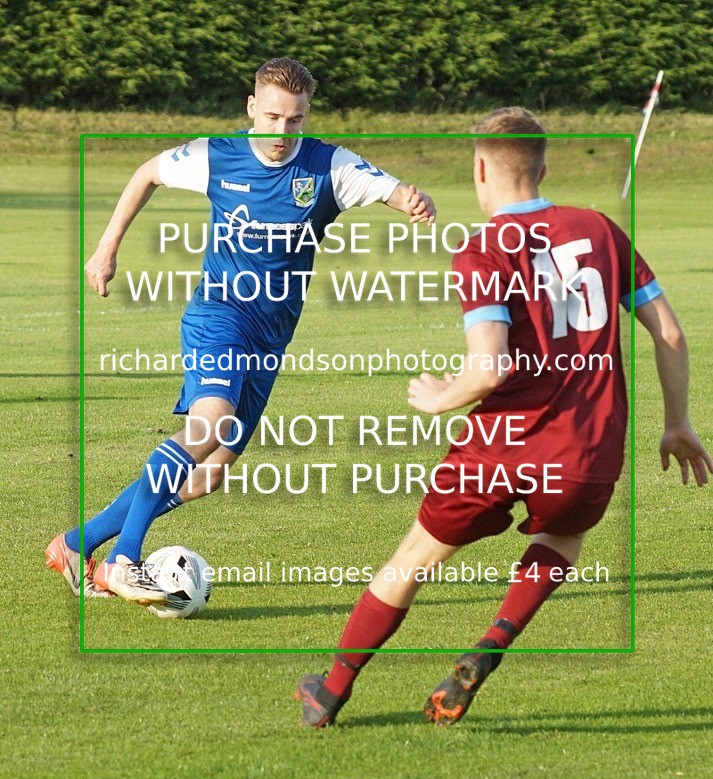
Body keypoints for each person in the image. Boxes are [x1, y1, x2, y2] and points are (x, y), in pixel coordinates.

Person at [295, 106, 712, 728]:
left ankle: (329, 691)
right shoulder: (599, 229)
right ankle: (488, 646)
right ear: (543, 167)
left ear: (479, 167)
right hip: (588, 447)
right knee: (560, 539)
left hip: (502, 442)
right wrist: (677, 422)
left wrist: (439, 397)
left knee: (416, 556)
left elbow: (488, 368)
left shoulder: (484, 249)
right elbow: (670, 333)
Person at [45, 57, 436, 604]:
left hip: (271, 337)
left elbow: (394, 191)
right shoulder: (215, 155)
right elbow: (148, 173)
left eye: (294, 120)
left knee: (209, 475)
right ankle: (121, 562)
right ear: (252, 108)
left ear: (306, 116)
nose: (281, 132)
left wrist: (413, 201)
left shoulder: (329, 166)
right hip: (220, 314)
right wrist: (106, 247)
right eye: (272, 117)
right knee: (207, 429)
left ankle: (75, 543)